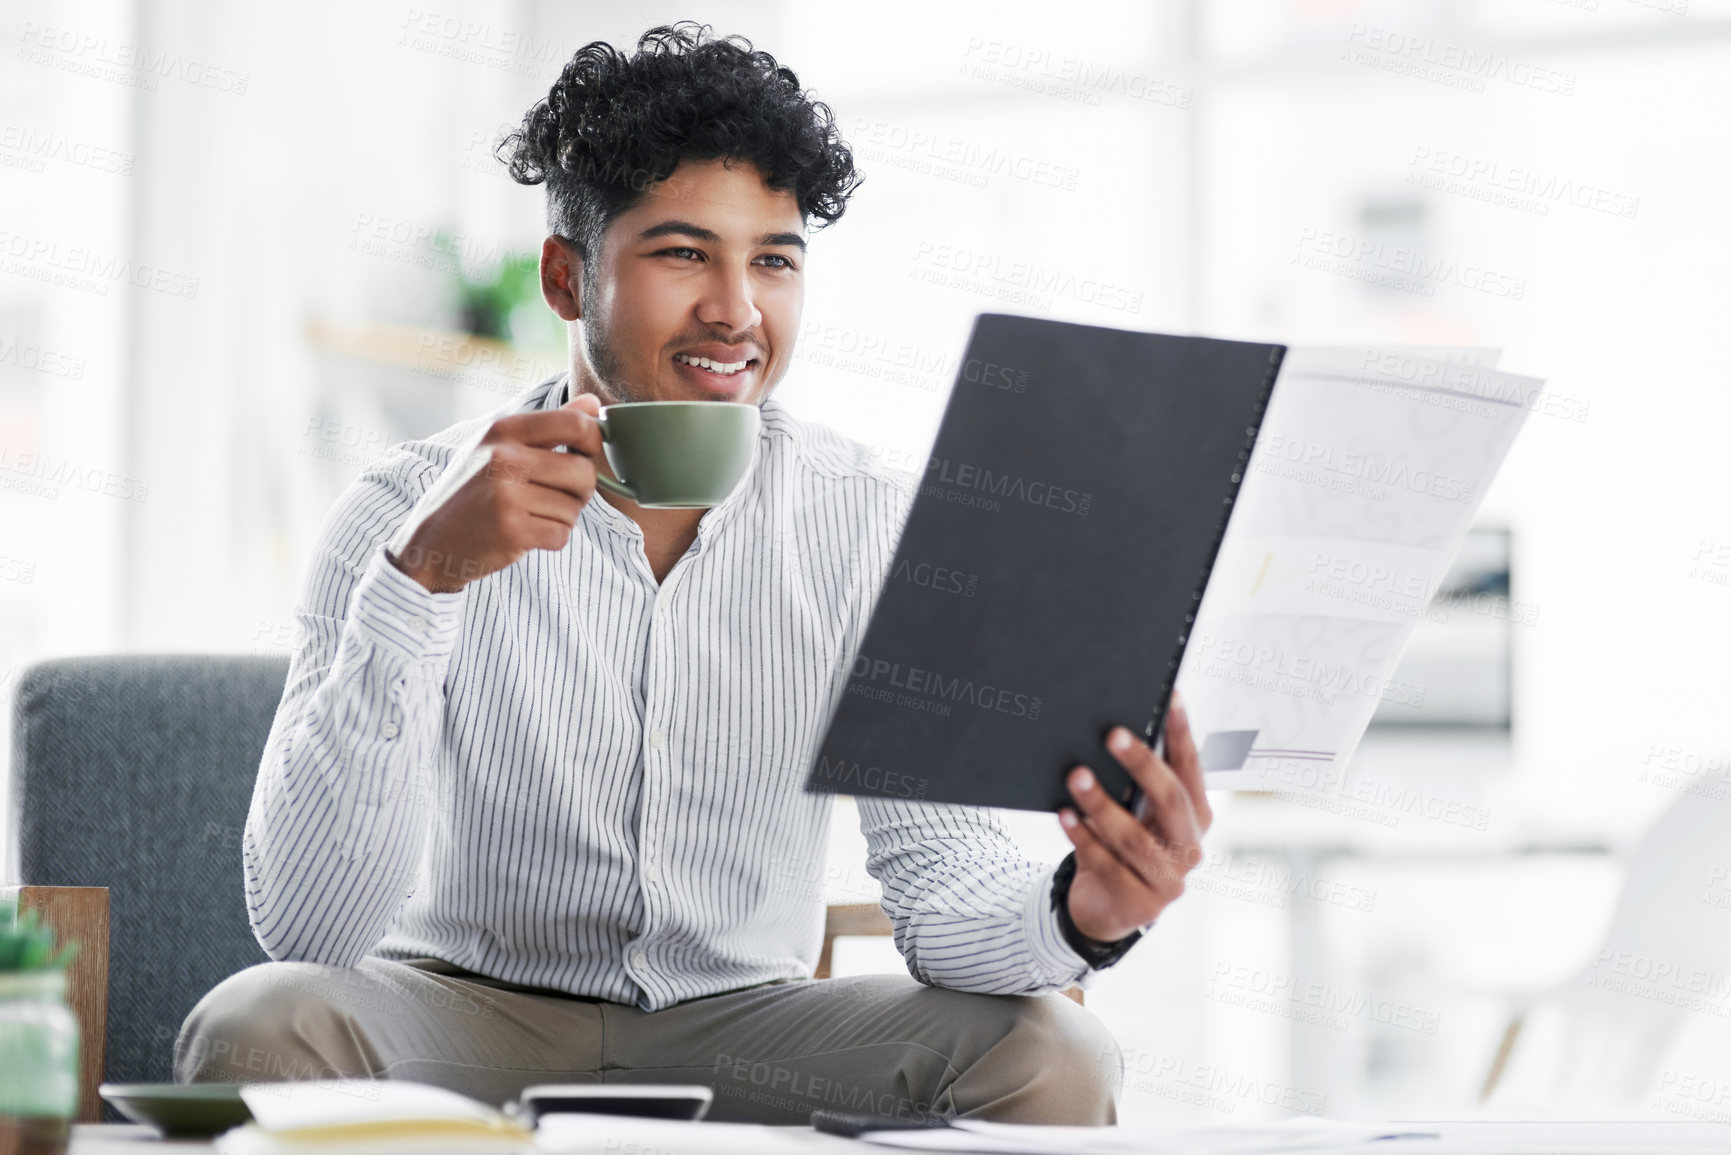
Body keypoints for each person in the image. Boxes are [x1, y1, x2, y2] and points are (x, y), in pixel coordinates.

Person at [173, 22, 1213, 1126]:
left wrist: (1083, 910)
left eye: (772, 259)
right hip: (462, 1014)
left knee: (1055, 1052)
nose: (736, 309)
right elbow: (310, 929)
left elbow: (940, 875)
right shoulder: (405, 511)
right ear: (568, 278)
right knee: (262, 1026)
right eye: (682, 254)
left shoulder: (868, 521)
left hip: (749, 1022)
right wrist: (423, 580)